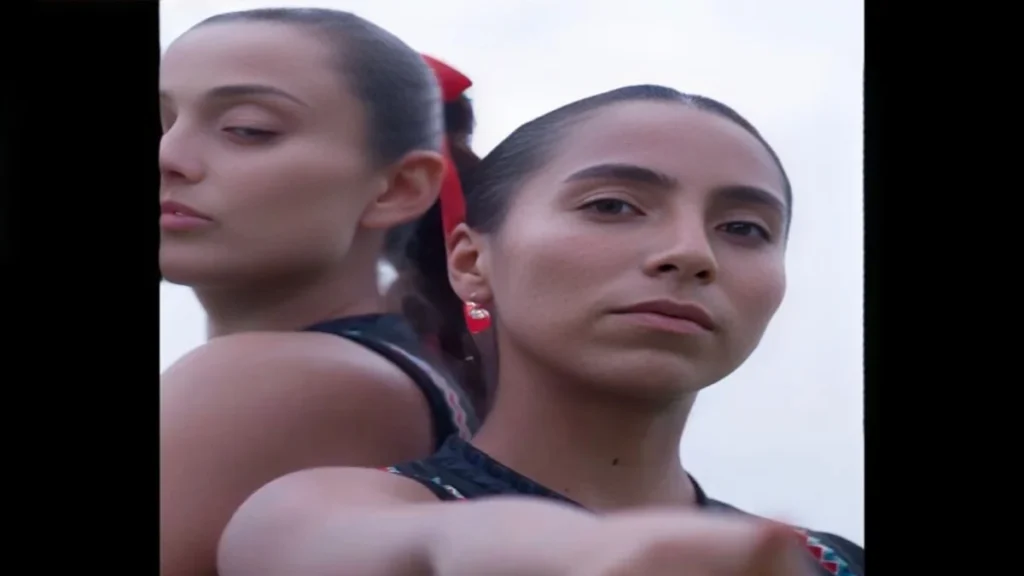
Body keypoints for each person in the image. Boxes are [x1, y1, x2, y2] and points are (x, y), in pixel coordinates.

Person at [217, 85, 865, 575]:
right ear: (471, 263)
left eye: (745, 228)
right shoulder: (334, 508)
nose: (692, 252)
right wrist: (570, 551)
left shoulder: (831, 562)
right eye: (612, 206)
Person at [158, 8, 481, 576]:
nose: (169, 157)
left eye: (247, 128)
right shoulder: (402, 370)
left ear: (398, 188)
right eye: (161, 123)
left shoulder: (267, 380)